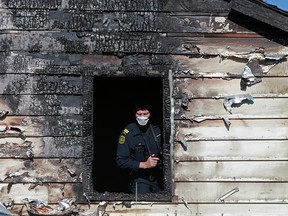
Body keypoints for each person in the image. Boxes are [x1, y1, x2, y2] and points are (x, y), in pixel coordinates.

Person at [116, 100, 163, 194]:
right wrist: (144, 165)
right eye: (139, 114)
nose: (142, 117)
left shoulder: (157, 130)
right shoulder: (128, 133)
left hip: (158, 176)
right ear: (134, 113)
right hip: (139, 178)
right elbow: (121, 160)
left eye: (145, 113)